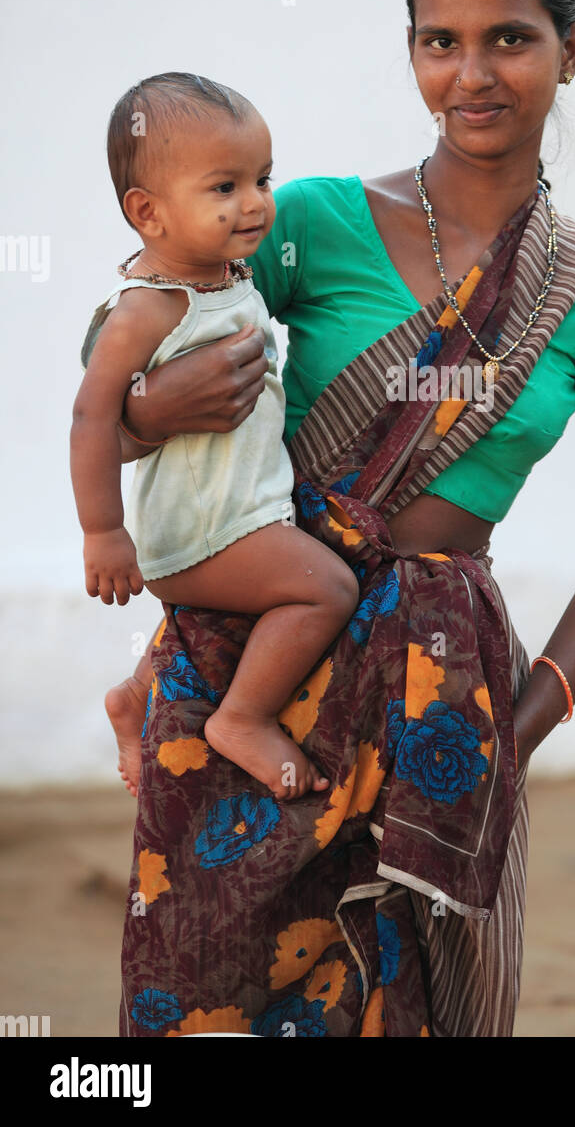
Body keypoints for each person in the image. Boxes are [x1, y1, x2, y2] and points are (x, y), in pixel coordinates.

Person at [110, 0, 575, 1038]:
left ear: (571, 46)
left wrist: (505, 736)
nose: (472, 72)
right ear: (410, 47)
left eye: (509, 38)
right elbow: (124, 378)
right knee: (204, 990)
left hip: (437, 696)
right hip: (245, 674)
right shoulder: (302, 221)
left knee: (400, 1001)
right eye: (438, 40)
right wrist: (142, 408)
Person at [72, 76, 359, 800]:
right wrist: (104, 533)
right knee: (325, 589)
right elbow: (90, 415)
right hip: (208, 524)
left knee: (239, 607)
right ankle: (242, 719)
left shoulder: (218, 275)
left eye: (262, 178)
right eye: (224, 187)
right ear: (149, 212)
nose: (255, 202)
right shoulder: (146, 308)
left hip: (230, 511)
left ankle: (137, 692)